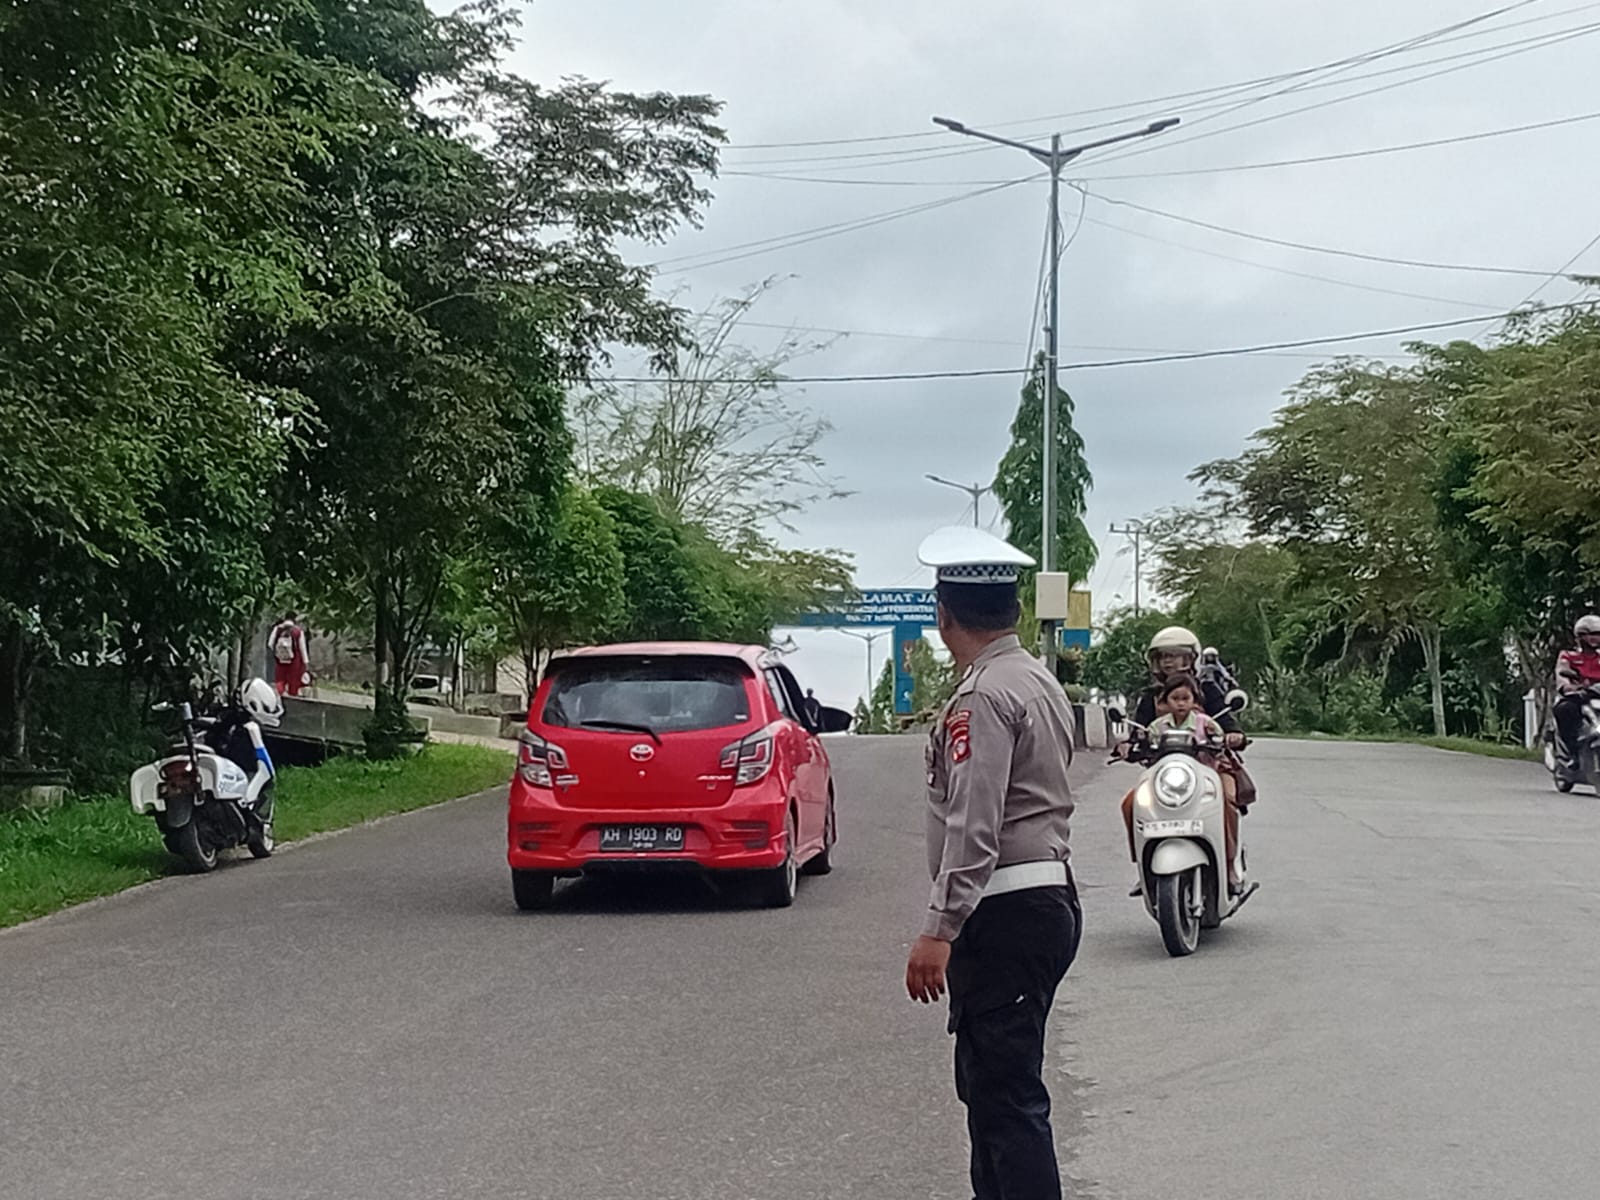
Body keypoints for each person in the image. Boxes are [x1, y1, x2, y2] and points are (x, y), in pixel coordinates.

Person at [905, 525, 1082, 1200]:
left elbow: (974, 825)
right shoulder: (1035, 679)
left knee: (1006, 1101)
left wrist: (939, 928)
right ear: (1014, 610)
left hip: (1006, 910)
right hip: (1043, 901)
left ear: (943, 614)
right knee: (993, 1092)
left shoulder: (982, 696)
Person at [1147, 674, 1243, 893]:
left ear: (1195, 700)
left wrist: (1231, 738)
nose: (1180, 703)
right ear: (1165, 701)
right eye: (1175, 698)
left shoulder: (1206, 723)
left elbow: (1222, 738)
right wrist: (1128, 746)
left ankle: (1229, 863)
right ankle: (1144, 863)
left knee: (1228, 800)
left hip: (1208, 775)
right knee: (1131, 802)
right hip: (1168, 781)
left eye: (1185, 698)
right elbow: (1142, 739)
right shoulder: (1157, 726)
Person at [1552, 614, 1600, 766]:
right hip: (1578, 696)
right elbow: (1562, 673)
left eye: (1598, 634)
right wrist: (1568, 688)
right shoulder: (1568, 656)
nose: (1595, 638)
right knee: (1564, 709)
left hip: (1598, 694)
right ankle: (1572, 752)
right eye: (1591, 634)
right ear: (1580, 636)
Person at [267, 612, 310, 698]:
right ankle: (292, 698)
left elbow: (270, 644)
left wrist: (278, 652)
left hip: (280, 659)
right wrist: (306, 663)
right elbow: (302, 649)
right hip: (294, 660)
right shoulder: (298, 631)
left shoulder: (277, 629)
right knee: (293, 681)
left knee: (280, 679)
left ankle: (282, 696)